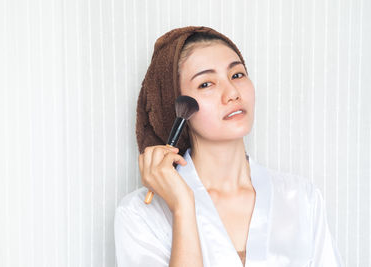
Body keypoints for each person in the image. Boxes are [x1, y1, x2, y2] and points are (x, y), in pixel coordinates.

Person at [114, 26, 344, 267]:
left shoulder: (301, 199)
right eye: (206, 84)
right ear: (177, 107)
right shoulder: (141, 215)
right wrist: (182, 207)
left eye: (237, 75)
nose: (232, 93)